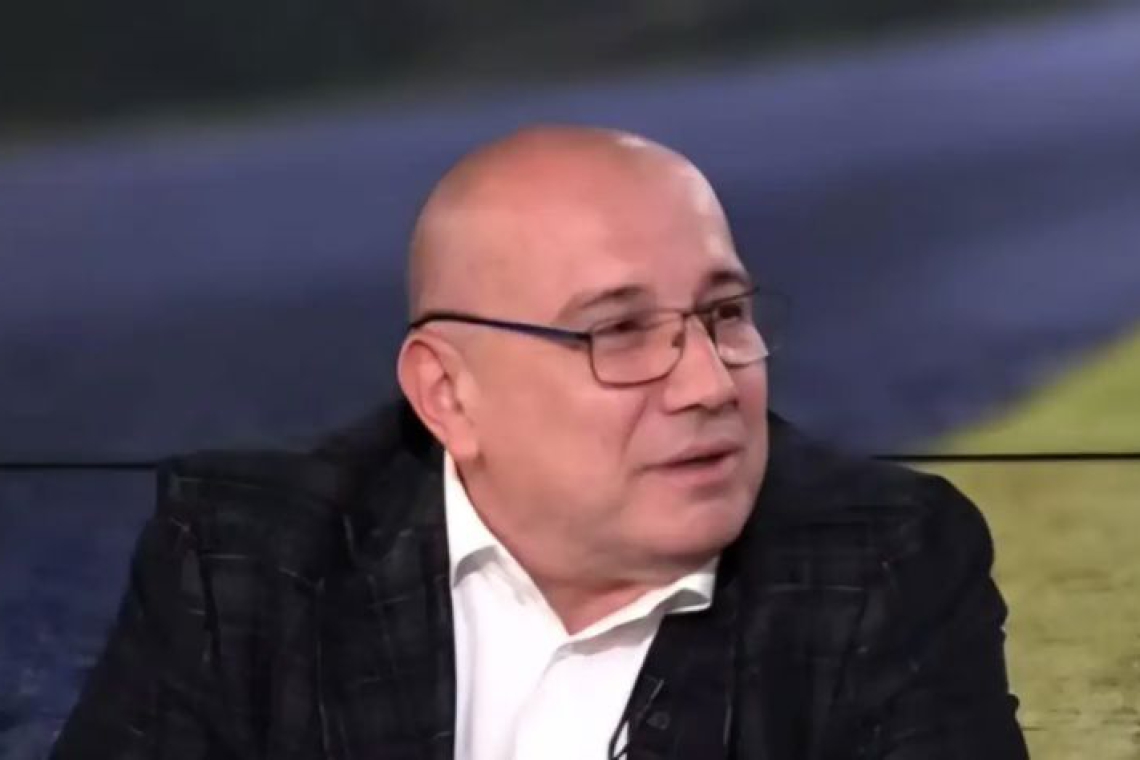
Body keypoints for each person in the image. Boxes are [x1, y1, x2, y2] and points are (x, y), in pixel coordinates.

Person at [52, 125, 1030, 759]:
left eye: (725, 313)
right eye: (620, 331)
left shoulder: (880, 564)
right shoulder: (244, 562)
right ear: (448, 394)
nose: (708, 383)